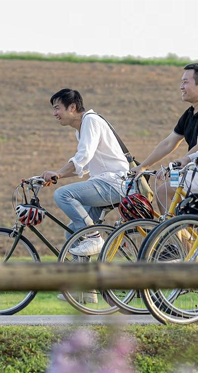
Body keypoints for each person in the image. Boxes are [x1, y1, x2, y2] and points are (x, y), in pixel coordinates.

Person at [41, 88, 129, 256]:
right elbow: (85, 165)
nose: (55, 113)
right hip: (103, 182)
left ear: (72, 107)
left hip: (113, 183)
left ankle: (94, 237)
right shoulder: (80, 129)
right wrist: (56, 175)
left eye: (57, 107)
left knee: (62, 194)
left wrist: (58, 174)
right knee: (73, 231)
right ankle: (81, 278)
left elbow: (83, 156)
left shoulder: (90, 120)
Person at [130, 63, 198, 208]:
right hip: (195, 171)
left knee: (163, 192)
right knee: (181, 212)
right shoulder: (190, 112)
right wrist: (143, 166)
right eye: (181, 82)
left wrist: (177, 165)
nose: (181, 87)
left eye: (185, 82)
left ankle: (174, 230)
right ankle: (178, 229)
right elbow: (169, 143)